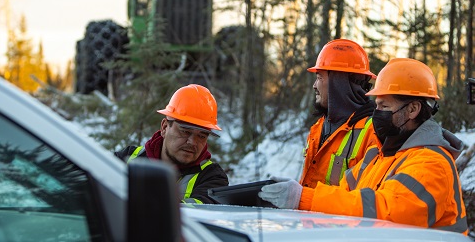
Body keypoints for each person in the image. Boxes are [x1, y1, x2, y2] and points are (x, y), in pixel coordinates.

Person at [259, 58, 468, 235]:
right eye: (376, 105)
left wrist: (302, 198)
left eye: (384, 106)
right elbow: (344, 195)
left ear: (413, 109)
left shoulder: (432, 163)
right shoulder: (378, 157)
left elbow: (387, 212)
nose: (376, 113)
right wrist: (297, 192)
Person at [114, 84, 229, 204]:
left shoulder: (212, 177)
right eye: (185, 131)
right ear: (164, 127)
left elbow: (195, 217)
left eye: (201, 136)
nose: (192, 142)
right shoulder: (127, 158)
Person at [301, 39, 379, 188]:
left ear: (338, 83)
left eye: (319, 77)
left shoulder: (373, 133)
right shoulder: (318, 128)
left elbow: (363, 202)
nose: (314, 86)